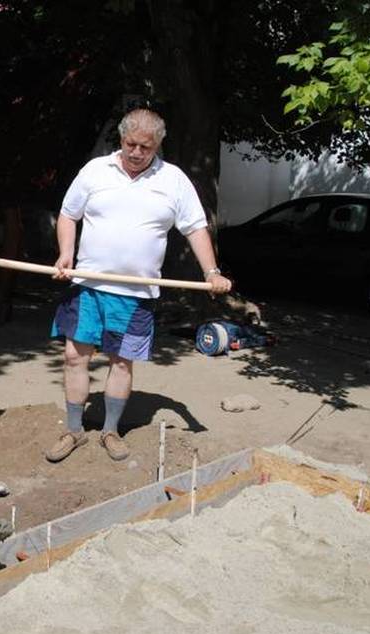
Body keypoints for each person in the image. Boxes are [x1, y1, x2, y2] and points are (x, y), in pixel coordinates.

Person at [46, 109, 232, 463]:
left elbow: (194, 227)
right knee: (74, 356)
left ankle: (110, 431)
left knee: (121, 362)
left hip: (136, 294)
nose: (135, 152)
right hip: (87, 286)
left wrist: (211, 272)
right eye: (130, 144)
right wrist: (66, 254)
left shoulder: (174, 180)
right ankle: (73, 430)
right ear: (121, 139)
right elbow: (70, 213)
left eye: (145, 147)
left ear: (158, 144)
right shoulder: (95, 171)